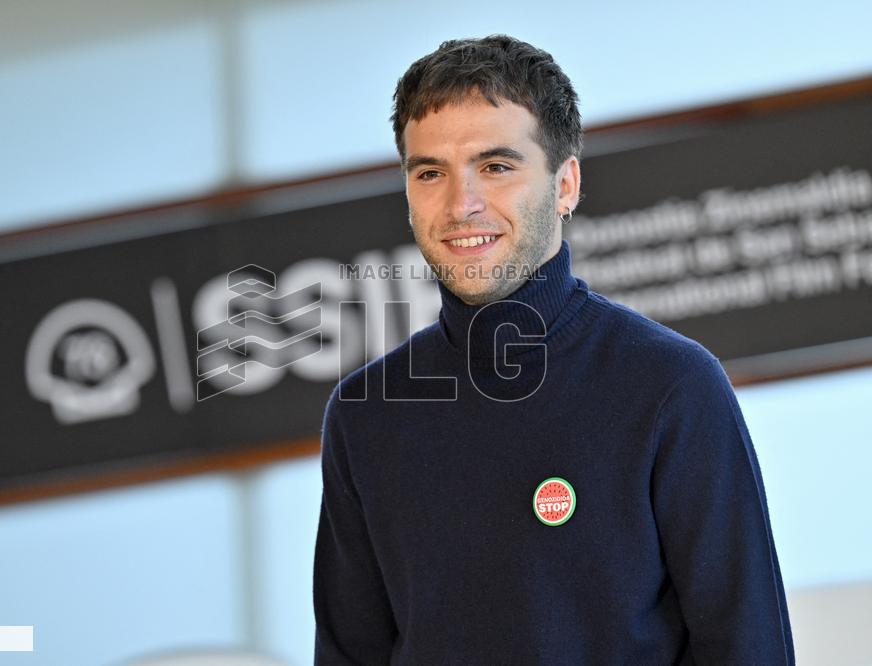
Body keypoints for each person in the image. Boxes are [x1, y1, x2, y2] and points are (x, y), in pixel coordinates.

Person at [312, 34, 794, 664]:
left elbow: (748, 648)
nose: (462, 205)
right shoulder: (364, 416)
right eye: (430, 172)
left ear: (565, 185)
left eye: (496, 166)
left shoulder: (669, 386)